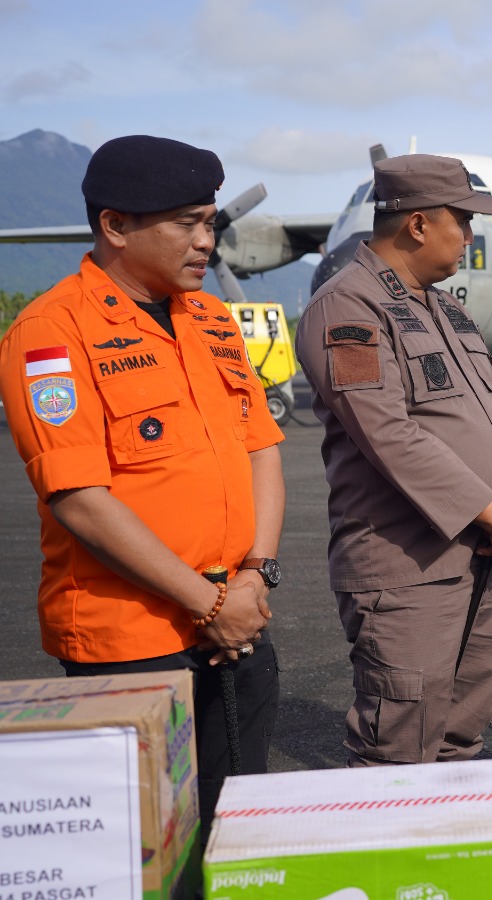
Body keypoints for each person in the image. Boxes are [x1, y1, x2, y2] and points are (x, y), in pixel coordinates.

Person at [0, 135, 282, 835]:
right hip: (133, 642)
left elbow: (261, 449)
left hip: (237, 619)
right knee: (148, 843)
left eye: (210, 221)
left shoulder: (210, 317)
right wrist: (208, 603)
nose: (206, 240)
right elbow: (80, 500)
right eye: (186, 223)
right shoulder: (51, 332)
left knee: (240, 831)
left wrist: (254, 575)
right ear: (116, 225)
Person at [295, 154, 492, 767]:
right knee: (399, 745)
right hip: (406, 568)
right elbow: (387, 433)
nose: (470, 236)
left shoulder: (447, 310)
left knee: (461, 736)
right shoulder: (347, 306)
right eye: (464, 221)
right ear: (419, 224)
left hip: (477, 556)